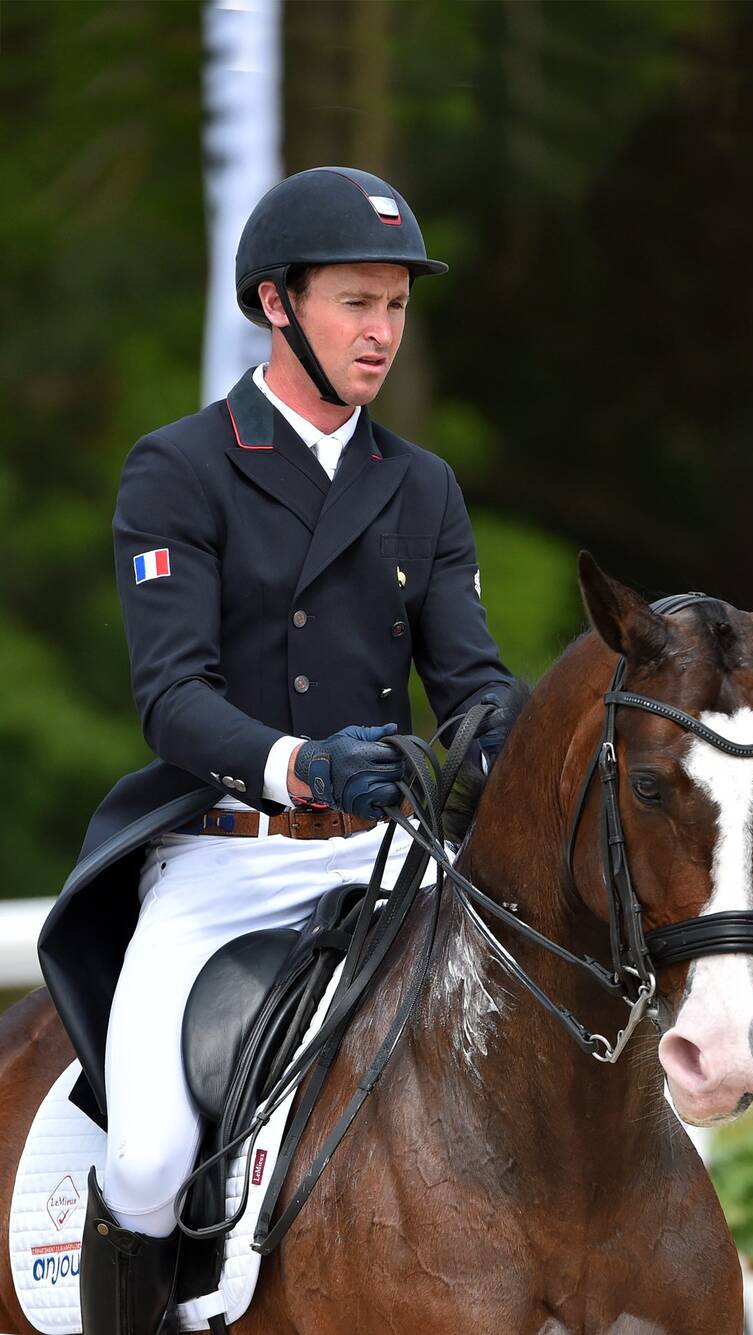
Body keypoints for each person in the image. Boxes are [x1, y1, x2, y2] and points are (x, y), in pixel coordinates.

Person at [38, 165, 515, 1335]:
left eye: (396, 306)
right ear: (275, 303)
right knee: (148, 1160)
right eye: (357, 301)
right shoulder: (180, 471)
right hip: (225, 859)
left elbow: (471, 686)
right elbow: (173, 702)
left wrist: (515, 744)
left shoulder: (420, 487)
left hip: (386, 860)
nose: (382, 333)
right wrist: (302, 764)